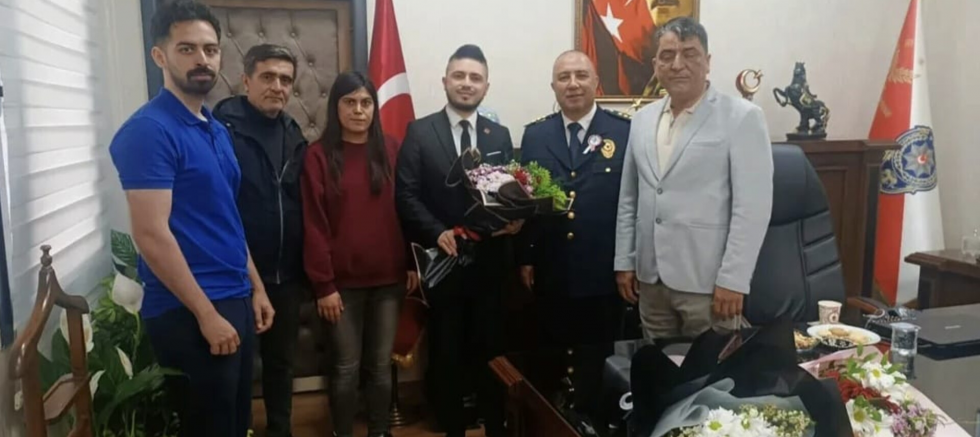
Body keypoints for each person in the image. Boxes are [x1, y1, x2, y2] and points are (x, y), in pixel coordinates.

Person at [107, 1, 274, 436]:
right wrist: (205, 313)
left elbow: (226, 218)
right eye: (187, 49)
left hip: (233, 294)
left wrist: (255, 287)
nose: (202, 59)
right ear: (159, 56)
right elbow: (150, 234)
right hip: (188, 307)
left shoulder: (214, 127)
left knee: (236, 423)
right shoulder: (149, 130)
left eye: (210, 49)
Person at [614, 17, 773, 339]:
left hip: (709, 285)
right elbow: (629, 198)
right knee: (657, 366)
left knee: (711, 370)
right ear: (655, 65)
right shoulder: (641, 120)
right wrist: (625, 261)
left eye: (689, 54)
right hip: (650, 280)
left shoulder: (742, 117)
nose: (678, 64)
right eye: (668, 55)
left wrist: (734, 279)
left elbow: (752, 208)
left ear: (707, 61)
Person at [395, 44, 519, 437]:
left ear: (486, 86)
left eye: (475, 78)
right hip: (444, 265)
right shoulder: (419, 132)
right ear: (445, 81)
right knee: (447, 355)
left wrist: (514, 220)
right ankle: (452, 429)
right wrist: (437, 231)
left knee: (492, 353)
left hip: (491, 265)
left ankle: (496, 426)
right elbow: (406, 195)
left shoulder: (499, 134)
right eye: (460, 76)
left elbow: (511, 191)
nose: (467, 83)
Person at [301, 71, 418, 437]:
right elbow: (314, 224)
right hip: (340, 287)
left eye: (366, 103)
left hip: (389, 281)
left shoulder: (392, 149)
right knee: (346, 367)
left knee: (380, 367)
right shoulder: (318, 156)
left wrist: (412, 262)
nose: (358, 110)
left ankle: (379, 431)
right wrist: (324, 286)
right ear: (335, 107)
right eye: (349, 102)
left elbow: (407, 210)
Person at [212, 44, 307, 437]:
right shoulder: (221, 131)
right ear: (246, 80)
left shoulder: (294, 133)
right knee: (237, 368)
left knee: (281, 363)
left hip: (287, 274)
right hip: (236, 275)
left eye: (285, 80)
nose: (277, 87)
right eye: (268, 77)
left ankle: (280, 430)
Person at [517, 50, 631, 348]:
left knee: (601, 355)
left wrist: (629, 263)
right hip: (551, 266)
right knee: (551, 353)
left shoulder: (624, 132)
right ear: (553, 86)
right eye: (563, 77)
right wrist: (526, 257)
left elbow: (633, 204)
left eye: (581, 75)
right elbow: (527, 204)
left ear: (596, 81)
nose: (573, 83)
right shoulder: (535, 135)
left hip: (604, 270)